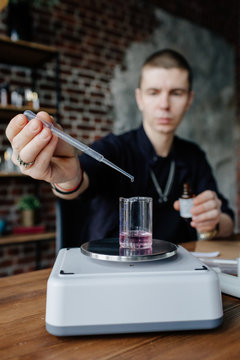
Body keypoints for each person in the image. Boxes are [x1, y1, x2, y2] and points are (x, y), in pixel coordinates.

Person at [6, 49, 234, 244]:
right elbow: (78, 179)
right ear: (140, 98)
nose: (164, 105)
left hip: (179, 272)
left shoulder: (192, 156)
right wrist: (66, 178)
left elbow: (227, 220)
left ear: (189, 100)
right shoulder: (114, 148)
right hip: (114, 276)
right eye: (154, 92)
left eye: (176, 93)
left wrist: (213, 223)